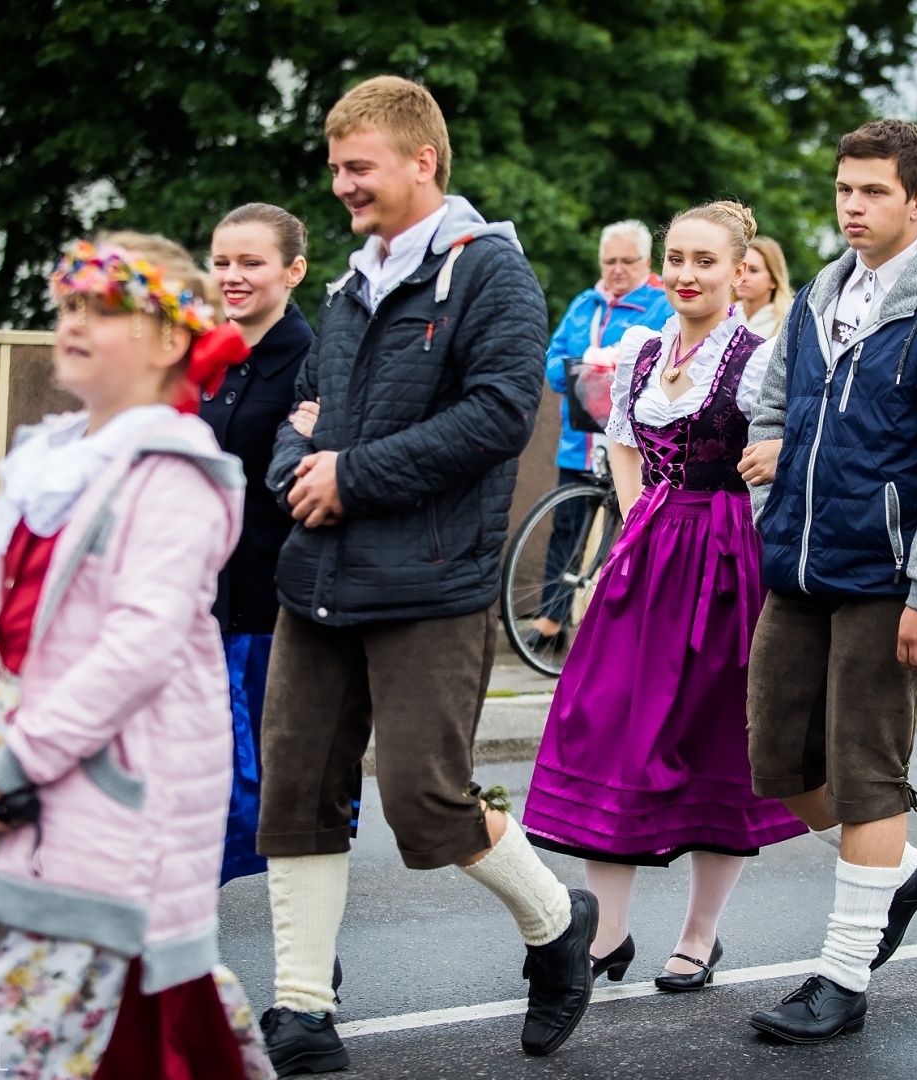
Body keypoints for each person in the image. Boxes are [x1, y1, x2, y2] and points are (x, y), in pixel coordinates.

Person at [255, 75, 595, 1073]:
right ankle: (303, 1009)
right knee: (298, 789)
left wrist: (350, 476)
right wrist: (299, 475)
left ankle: (553, 923)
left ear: (422, 162)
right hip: (316, 579)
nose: (343, 188)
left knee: (424, 799)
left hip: (431, 582)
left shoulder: (489, 273)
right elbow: (301, 412)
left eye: (358, 170)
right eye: (336, 171)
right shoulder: (351, 284)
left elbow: (500, 415)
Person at [0, 233, 275, 1077]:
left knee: (64, 1033)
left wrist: (10, 767)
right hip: (22, 788)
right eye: (69, 306)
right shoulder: (47, 460)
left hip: (116, 799)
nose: (74, 323)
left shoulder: (178, 473)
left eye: (104, 310)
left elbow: (136, 649)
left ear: (172, 340)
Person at [736, 119, 917, 1044]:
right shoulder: (819, 290)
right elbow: (776, 394)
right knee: (777, 760)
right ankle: (904, 872)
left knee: (867, 776)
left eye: (873, 192)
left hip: (891, 578)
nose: (852, 206)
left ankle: (842, 980)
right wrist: (767, 444)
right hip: (802, 564)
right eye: (844, 189)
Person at [522, 201, 808, 992]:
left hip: (727, 557)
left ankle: (699, 934)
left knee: (716, 743)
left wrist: (772, 463)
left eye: (705, 262)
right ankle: (607, 931)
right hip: (647, 550)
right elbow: (621, 444)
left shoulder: (761, 359)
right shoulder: (641, 348)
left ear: (737, 272)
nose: (685, 273)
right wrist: (640, 511)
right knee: (608, 725)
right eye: (676, 259)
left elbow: (805, 442)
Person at [201, 202, 313, 886]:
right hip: (196, 598)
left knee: (268, 787)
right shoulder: (199, 355)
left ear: (294, 270)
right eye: (221, 263)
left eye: (251, 263)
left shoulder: (315, 362)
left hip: (270, 606)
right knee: (197, 778)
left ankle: (306, 950)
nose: (233, 277)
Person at [528, 220, 671, 649]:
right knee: (566, 530)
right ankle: (551, 621)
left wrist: (611, 366)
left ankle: (621, 632)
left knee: (631, 535)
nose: (618, 269)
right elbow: (553, 365)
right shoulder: (583, 305)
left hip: (635, 446)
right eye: (610, 261)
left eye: (628, 261)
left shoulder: (661, 303)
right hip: (580, 441)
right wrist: (584, 363)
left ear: (646, 262)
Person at [737, 236, 794, 341]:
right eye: (740, 269)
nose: (743, 277)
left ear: (774, 280)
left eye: (753, 270)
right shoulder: (724, 317)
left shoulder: (790, 321)